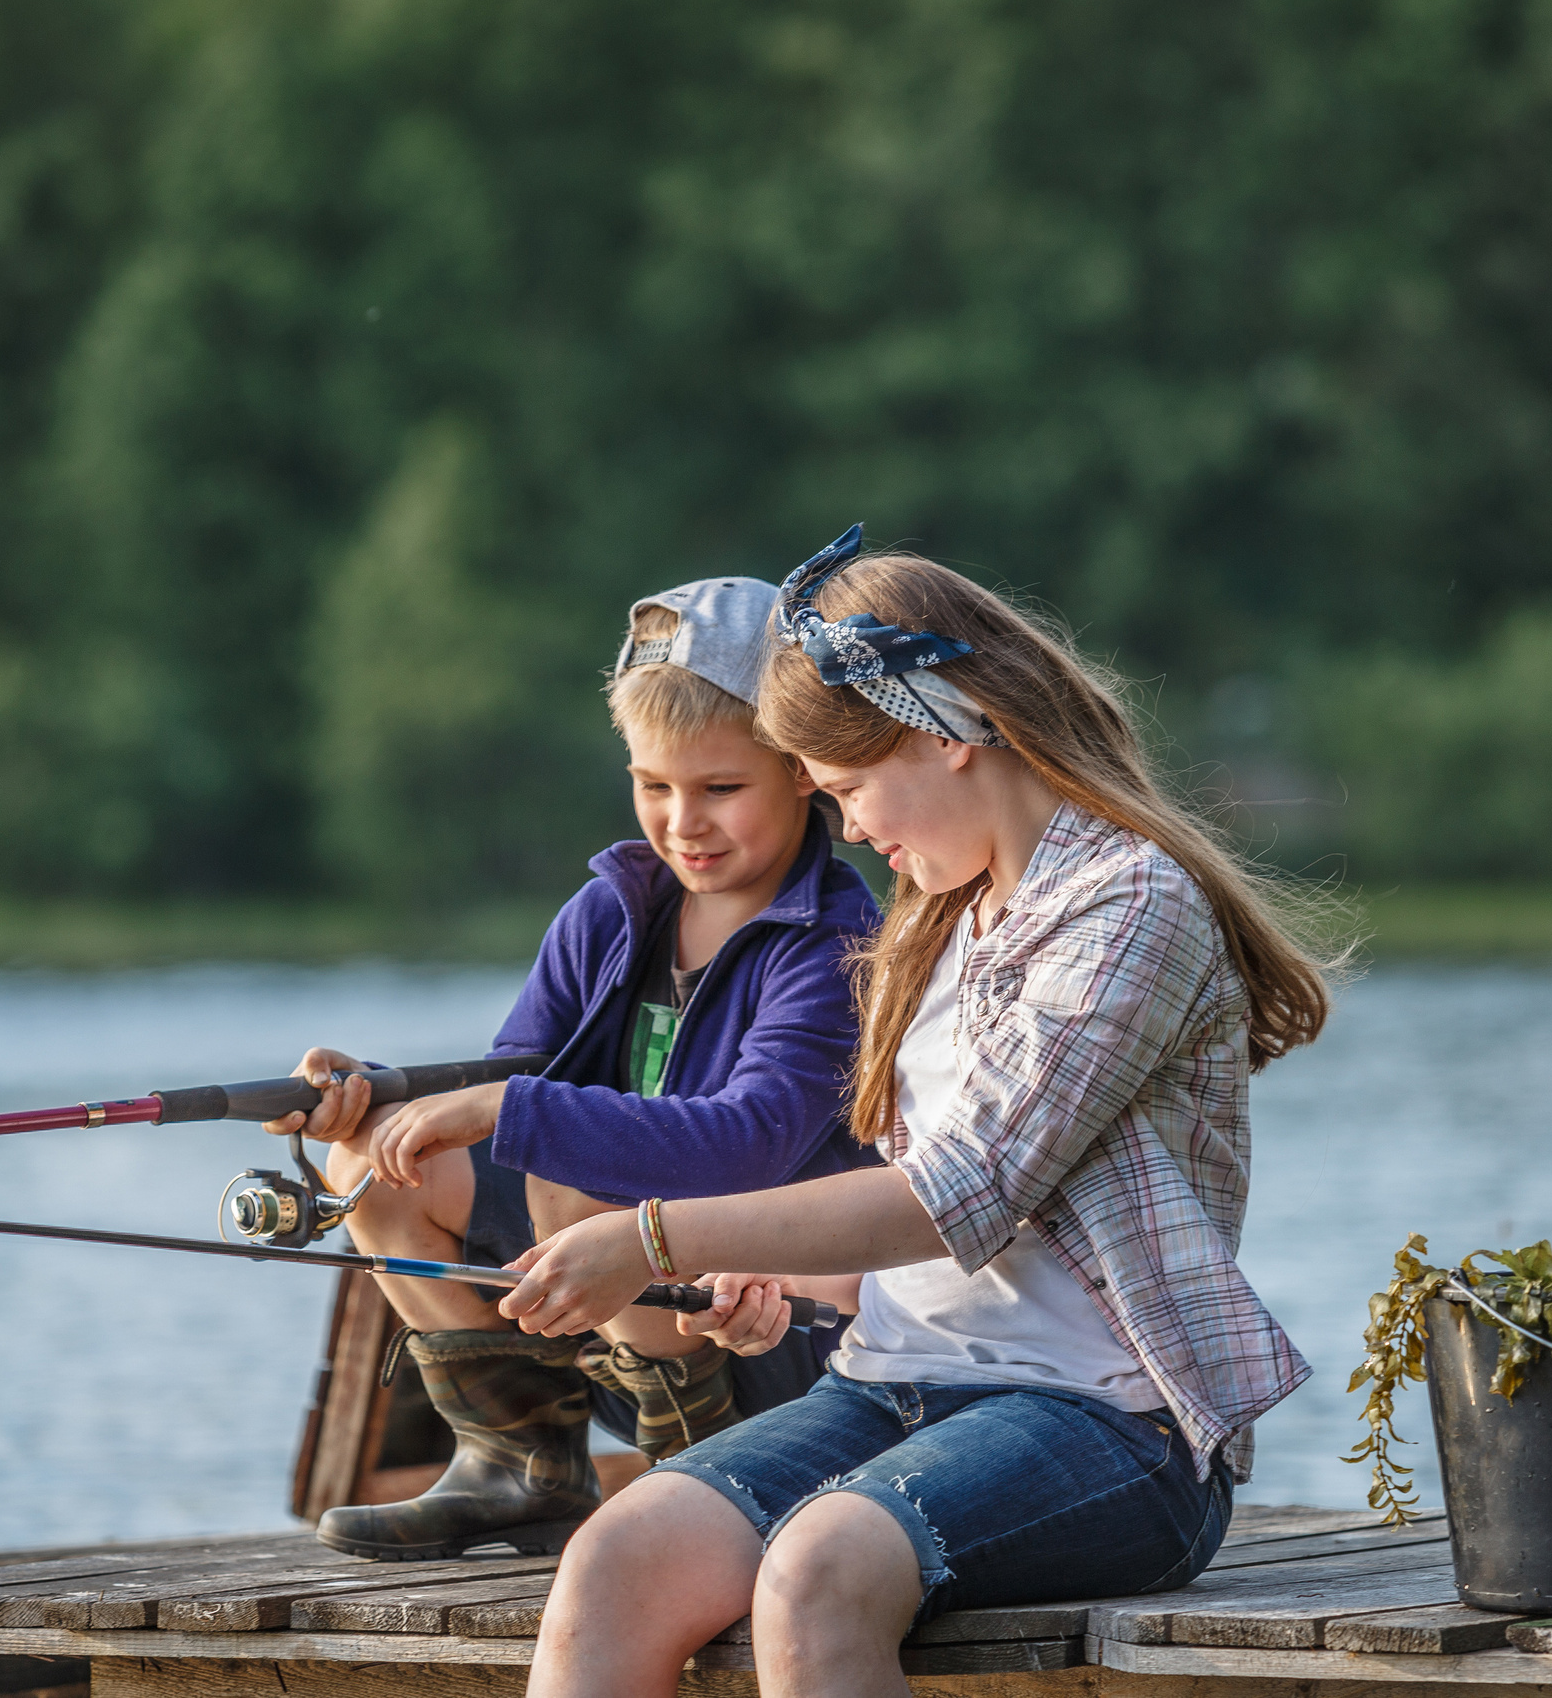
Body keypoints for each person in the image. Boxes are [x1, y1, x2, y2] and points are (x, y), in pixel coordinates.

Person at [496, 527, 1337, 1698]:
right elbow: (936, 1249)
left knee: (818, 1569)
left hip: (1107, 1426)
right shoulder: (930, 916)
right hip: (884, 1387)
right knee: (615, 1560)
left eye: (844, 789)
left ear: (942, 732)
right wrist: (791, 1285)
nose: (844, 829)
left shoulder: (1131, 903)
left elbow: (965, 1196)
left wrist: (651, 1238)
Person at [276, 574, 881, 1561]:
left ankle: (703, 1470)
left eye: (720, 789)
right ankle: (523, 1466)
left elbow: (751, 1137)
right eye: (654, 786)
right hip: (609, 1319)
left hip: (775, 1334)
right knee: (382, 1175)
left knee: (572, 1168)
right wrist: (373, 1099)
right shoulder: (610, 911)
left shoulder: (833, 943)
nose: (683, 821)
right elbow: (512, 1073)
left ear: (804, 774)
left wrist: (513, 1109)